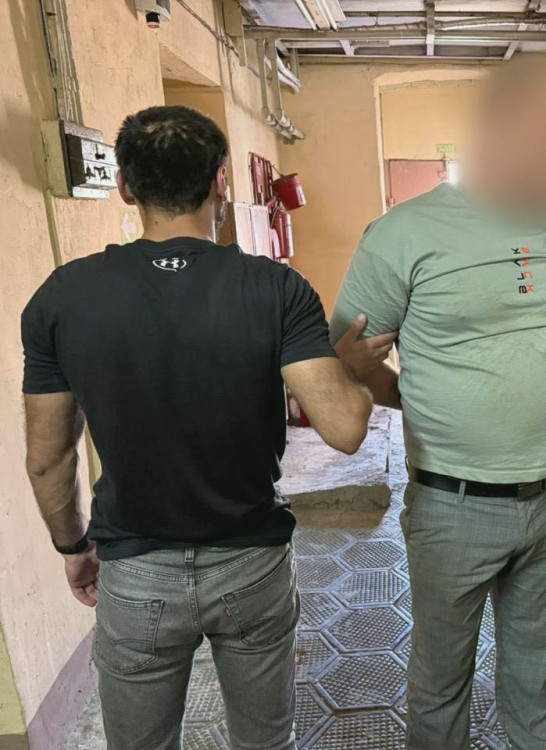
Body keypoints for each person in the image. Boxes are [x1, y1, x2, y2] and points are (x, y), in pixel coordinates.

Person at [21, 105, 372, 750]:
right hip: (251, 562)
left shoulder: (63, 297)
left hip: (134, 569)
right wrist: (345, 368)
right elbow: (346, 428)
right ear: (220, 182)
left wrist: (73, 547)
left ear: (125, 188)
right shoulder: (276, 288)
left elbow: (48, 459)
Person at [331, 60, 546, 750]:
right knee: (441, 681)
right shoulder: (403, 232)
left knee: (535, 676)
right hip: (452, 505)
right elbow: (349, 356)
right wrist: (391, 385)